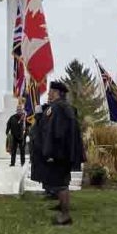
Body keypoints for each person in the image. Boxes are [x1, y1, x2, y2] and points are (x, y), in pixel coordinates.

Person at [41, 81, 84, 225]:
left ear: (56, 93)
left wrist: (53, 153)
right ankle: (62, 210)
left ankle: (65, 216)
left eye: (50, 92)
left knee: (61, 184)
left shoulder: (60, 108)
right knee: (60, 182)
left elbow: (58, 133)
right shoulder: (61, 107)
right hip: (62, 152)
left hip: (60, 153)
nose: (48, 94)